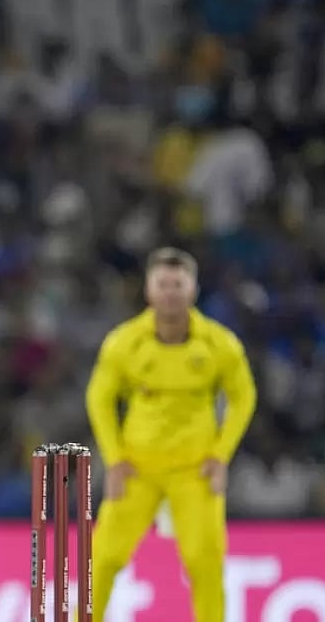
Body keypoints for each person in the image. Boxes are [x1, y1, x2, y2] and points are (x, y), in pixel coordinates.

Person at [85, 247, 257, 622]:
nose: (170, 292)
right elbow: (98, 398)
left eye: (178, 284)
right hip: (137, 468)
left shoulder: (219, 344)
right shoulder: (124, 342)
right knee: (104, 557)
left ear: (193, 289)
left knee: (204, 562)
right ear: (148, 290)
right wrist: (114, 460)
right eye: (163, 284)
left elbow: (244, 397)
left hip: (194, 470)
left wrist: (220, 455)